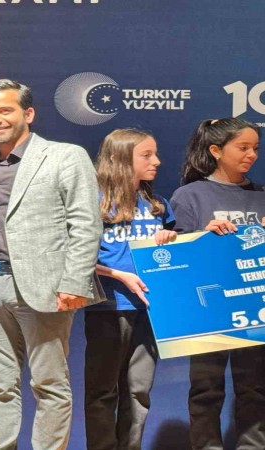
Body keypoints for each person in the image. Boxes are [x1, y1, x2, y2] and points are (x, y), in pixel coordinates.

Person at [0, 79, 101, 450]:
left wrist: (75, 281)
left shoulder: (65, 155)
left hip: (45, 287)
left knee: (49, 384)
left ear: (28, 113)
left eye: (4, 110)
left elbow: (86, 222)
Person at [170, 118, 265, 450]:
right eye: (243, 147)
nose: (252, 155)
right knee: (206, 389)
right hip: (207, 308)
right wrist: (203, 236)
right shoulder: (189, 196)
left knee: (255, 389)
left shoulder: (261, 195)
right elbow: (174, 258)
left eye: (255, 148)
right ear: (216, 150)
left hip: (254, 308)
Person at [83, 129, 177, 450]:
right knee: (103, 390)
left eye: (155, 153)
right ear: (117, 157)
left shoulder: (157, 204)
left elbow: (174, 253)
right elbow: (73, 253)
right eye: (146, 155)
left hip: (149, 309)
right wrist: (118, 275)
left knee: (138, 390)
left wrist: (170, 239)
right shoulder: (93, 200)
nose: (157, 161)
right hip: (109, 307)